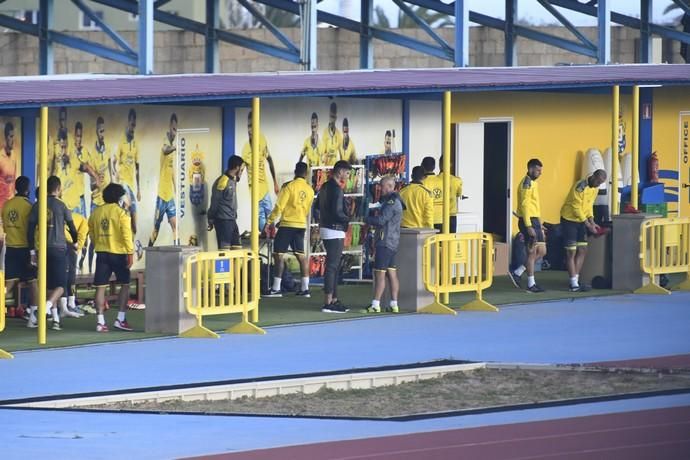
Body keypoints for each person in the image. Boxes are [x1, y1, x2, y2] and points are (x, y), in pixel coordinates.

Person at [28, 176, 78, 331]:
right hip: (58, 248)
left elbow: (30, 230)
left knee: (49, 286)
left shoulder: (37, 206)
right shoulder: (62, 206)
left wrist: (31, 251)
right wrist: (75, 241)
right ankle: (45, 308)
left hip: (41, 249)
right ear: (58, 188)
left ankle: (55, 320)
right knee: (62, 286)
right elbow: (72, 227)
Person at [264, 162, 315, 298]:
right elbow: (307, 209)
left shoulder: (289, 187)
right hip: (300, 225)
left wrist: (269, 221)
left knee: (278, 255)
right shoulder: (310, 190)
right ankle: (305, 289)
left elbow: (279, 206)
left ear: (295, 171)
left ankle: (276, 289)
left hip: (287, 225)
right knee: (301, 256)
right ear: (306, 173)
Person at [88, 183, 134, 332]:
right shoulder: (121, 213)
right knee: (125, 285)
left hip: (101, 253)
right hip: (119, 254)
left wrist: (98, 245)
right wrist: (130, 253)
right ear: (119, 197)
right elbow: (127, 235)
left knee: (100, 288)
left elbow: (92, 233)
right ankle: (120, 319)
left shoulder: (96, 212)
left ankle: (100, 322)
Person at [560, 169, 607, 292]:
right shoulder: (580, 186)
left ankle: (575, 278)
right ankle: (573, 283)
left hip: (581, 221)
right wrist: (587, 224)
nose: (599, 184)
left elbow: (588, 206)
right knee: (571, 252)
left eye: (601, 183)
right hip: (569, 219)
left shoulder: (595, 189)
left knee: (583, 249)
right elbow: (576, 208)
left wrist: (592, 221)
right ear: (593, 176)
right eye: (598, 181)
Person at [315, 160, 351, 313]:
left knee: (333, 267)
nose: (348, 176)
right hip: (335, 230)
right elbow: (337, 212)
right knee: (332, 267)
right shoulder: (336, 189)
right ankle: (328, 302)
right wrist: (348, 218)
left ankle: (333, 300)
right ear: (340, 171)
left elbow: (316, 207)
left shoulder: (324, 186)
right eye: (347, 173)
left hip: (326, 228)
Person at [363, 176, 404, 313]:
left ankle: (375, 304)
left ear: (390, 186)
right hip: (392, 242)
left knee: (379, 273)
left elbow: (381, 220)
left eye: (382, 186)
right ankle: (394, 304)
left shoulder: (391, 202)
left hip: (385, 241)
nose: (380, 189)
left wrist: (366, 219)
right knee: (392, 274)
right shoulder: (393, 201)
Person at [2, 176, 38, 328]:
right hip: (25, 249)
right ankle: (33, 318)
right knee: (33, 282)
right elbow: (32, 230)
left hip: (10, 249)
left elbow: (4, 227)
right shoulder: (29, 206)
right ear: (28, 189)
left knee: (7, 284)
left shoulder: (7, 205)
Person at [509, 159, 547, 293]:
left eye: (541, 171)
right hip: (528, 221)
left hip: (535, 220)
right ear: (530, 169)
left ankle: (518, 272)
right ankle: (531, 284)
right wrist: (529, 226)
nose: (540, 173)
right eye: (538, 170)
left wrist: (539, 223)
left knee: (542, 251)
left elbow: (534, 205)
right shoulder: (526, 184)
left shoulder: (533, 183)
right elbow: (525, 206)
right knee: (532, 252)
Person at [241, 110, 279, 232]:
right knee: (261, 222)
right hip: (254, 190)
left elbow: (270, 159)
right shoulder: (246, 148)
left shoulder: (262, 140)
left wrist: (275, 182)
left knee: (271, 217)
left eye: (252, 126)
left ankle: (272, 242)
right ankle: (264, 238)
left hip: (265, 188)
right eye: (248, 126)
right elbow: (241, 168)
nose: (250, 130)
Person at [84, 116, 111, 273]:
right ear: (96, 131)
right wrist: (96, 182)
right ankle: (88, 269)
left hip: (106, 203)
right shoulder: (91, 154)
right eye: (100, 131)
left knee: (107, 237)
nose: (102, 134)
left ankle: (105, 270)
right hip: (96, 202)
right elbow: (91, 185)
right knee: (93, 239)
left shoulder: (107, 151)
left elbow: (111, 176)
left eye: (104, 131)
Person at [148, 113, 178, 249]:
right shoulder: (165, 142)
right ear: (169, 128)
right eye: (173, 129)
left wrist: (176, 188)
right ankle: (149, 250)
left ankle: (178, 254)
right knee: (156, 228)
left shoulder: (173, 144)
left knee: (175, 226)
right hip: (162, 196)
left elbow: (172, 170)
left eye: (176, 130)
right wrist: (175, 147)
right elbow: (165, 150)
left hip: (170, 196)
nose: (175, 133)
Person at [208, 155, 244, 250]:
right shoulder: (223, 181)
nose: (242, 172)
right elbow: (215, 201)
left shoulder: (233, 180)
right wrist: (211, 218)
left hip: (232, 220)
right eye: (241, 169)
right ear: (237, 167)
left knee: (237, 250)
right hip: (223, 221)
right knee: (224, 253)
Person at [113, 108, 140, 234]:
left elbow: (137, 168)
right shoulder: (121, 142)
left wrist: (139, 189)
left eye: (134, 125)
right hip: (123, 185)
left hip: (132, 186)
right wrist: (115, 173)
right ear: (128, 123)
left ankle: (130, 249)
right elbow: (113, 161)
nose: (133, 127)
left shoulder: (135, 144)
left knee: (134, 223)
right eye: (131, 124)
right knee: (125, 215)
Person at [421, 156, 463, 232]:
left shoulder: (425, 182)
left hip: (432, 217)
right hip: (448, 215)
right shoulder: (456, 180)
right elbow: (459, 194)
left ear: (439, 164)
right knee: (449, 241)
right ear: (451, 164)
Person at [60, 211, 89, 318]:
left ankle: (63, 305)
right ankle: (70, 304)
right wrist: (78, 248)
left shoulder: (57, 213)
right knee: (70, 275)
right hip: (68, 245)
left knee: (62, 275)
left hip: (55, 244)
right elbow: (81, 235)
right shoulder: (83, 220)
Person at [0, 121, 17, 210]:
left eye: (13, 136)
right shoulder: (0, 157)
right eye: (11, 136)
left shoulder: (14, 155)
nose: (13, 140)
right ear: (6, 138)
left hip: (12, 203)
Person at [321, 102, 342, 166]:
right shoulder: (325, 132)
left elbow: (341, 154)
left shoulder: (338, 133)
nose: (332, 119)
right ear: (329, 116)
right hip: (326, 166)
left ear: (336, 117)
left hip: (335, 166)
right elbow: (322, 153)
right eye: (331, 116)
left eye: (333, 117)